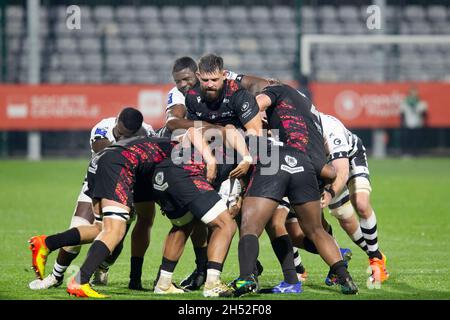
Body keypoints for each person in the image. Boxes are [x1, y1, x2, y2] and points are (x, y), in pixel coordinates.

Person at [232, 84, 358, 296]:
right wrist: (325, 188)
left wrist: (233, 116)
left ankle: (248, 280)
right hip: (305, 166)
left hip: (276, 162)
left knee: (251, 225)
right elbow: (330, 172)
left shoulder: (274, 95)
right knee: (314, 229)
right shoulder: (307, 112)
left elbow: (252, 106)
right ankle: (343, 275)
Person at [28, 108, 156, 291]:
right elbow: (107, 160)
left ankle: (101, 267)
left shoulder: (148, 132)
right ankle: (55, 276)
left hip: (129, 186)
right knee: (78, 229)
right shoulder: (101, 131)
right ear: (116, 121)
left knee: (115, 237)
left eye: (127, 135)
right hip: (98, 182)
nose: (121, 137)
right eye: (119, 133)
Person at [318, 113, 389, 285]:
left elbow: (341, 171)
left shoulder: (330, 126)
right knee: (342, 216)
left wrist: (330, 193)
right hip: (325, 165)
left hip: (349, 158)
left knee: (361, 204)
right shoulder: (293, 125)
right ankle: (339, 262)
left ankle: (376, 262)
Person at [400, 87, 427, 156]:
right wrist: (402, 123)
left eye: (415, 93)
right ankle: (406, 153)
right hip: (407, 123)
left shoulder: (420, 102)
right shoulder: (405, 102)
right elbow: (402, 113)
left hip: (417, 124)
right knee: (406, 140)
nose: (413, 95)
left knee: (416, 140)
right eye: (412, 93)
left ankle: (416, 153)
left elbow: (424, 113)